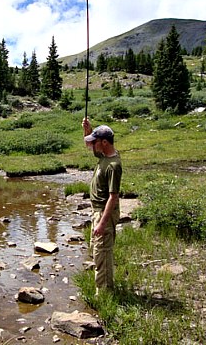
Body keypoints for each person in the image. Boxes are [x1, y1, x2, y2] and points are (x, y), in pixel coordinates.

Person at [82, 118, 122, 294]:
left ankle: (104, 294)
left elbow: (113, 197)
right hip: (97, 212)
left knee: (102, 253)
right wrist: (88, 130)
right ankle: (102, 289)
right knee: (97, 251)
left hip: (103, 213)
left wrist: (102, 223)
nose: (92, 145)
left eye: (95, 141)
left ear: (104, 143)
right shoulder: (105, 155)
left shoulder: (113, 165)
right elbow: (89, 146)